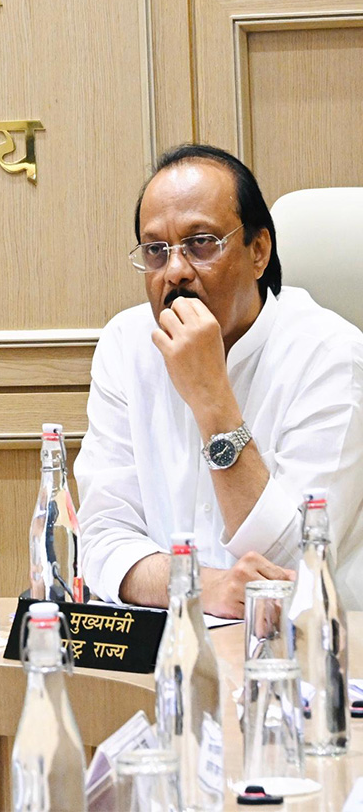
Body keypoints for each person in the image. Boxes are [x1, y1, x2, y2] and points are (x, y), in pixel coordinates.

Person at [75, 145, 363, 616]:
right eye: (156, 250)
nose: (175, 272)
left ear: (258, 251)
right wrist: (202, 587)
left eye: (201, 242)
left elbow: (293, 566)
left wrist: (212, 400)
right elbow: (102, 541)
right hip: (163, 644)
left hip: (296, 653)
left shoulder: (330, 356)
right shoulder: (126, 345)